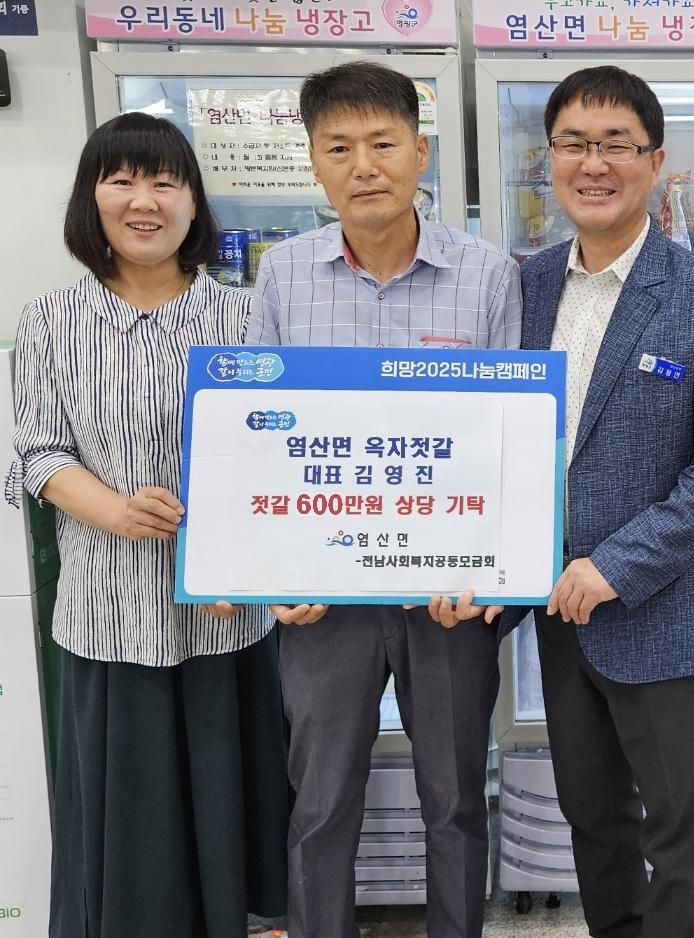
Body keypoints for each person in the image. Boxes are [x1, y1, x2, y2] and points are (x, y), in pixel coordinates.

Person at [246, 60, 522, 938]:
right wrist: (276, 572)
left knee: (456, 801)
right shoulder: (283, 276)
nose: (363, 166)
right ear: (314, 163)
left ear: (420, 152)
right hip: (324, 598)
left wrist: (489, 571)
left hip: (446, 594)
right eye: (339, 148)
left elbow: (513, 437)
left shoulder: (487, 274)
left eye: (382, 143)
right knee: (320, 802)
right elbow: (261, 437)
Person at [8, 112, 287, 937]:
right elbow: (38, 455)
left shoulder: (245, 317)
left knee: (227, 808)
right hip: (107, 614)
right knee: (131, 825)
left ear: (194, 204)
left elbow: (279, 454)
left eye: (166, 182)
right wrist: (118, 511)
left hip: (224, 616)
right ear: (90, 198)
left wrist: (245, 564)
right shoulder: (51, 320)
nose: (144, 200)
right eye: (122, 180)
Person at [519, 65, 694, 938]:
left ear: (654, 162)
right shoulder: (526, 285)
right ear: (549, 159)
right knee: (594, 820)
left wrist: (616, 566)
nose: (594, 164)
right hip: (558, 612)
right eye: (574, 144)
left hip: (666, 613)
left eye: (616, 144)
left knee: (678, 832)